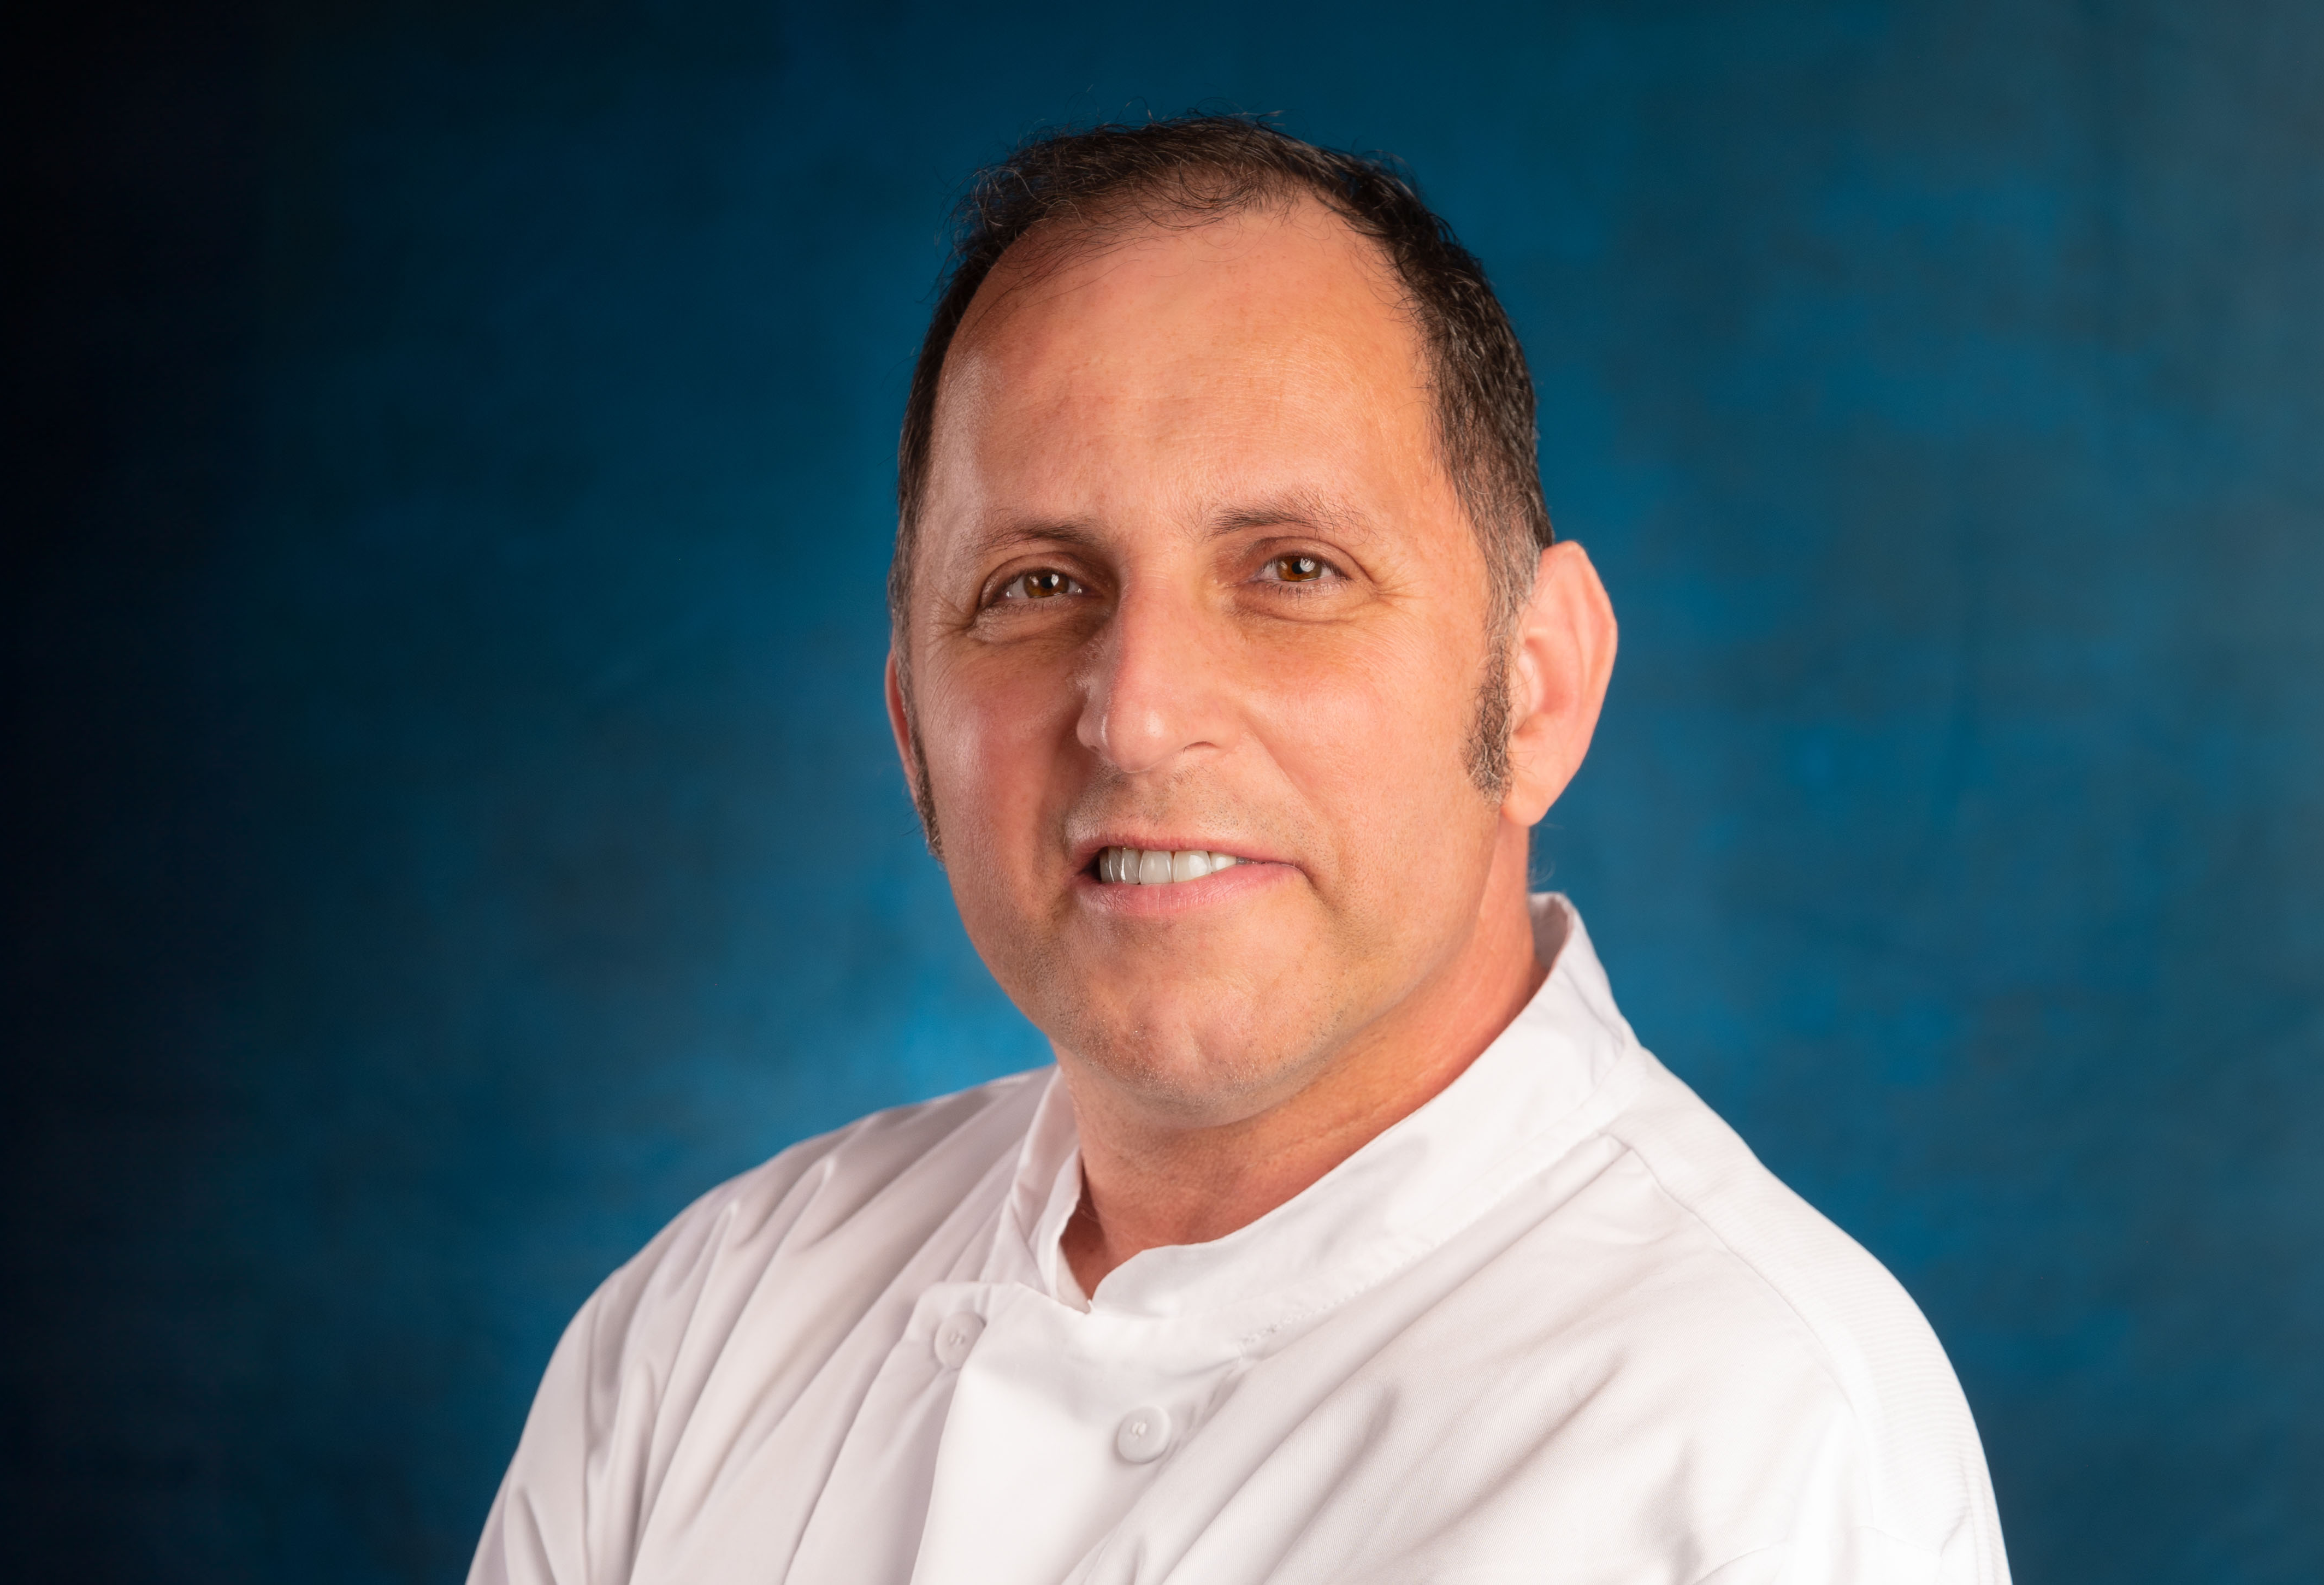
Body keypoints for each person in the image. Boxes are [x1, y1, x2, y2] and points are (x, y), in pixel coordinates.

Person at [469, 115, 2009, 1585]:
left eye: (1293, 570)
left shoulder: (1755, 1460)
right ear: (912, 728)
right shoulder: (701, 1333)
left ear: (1535, 687)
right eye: (1034, 586)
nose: (1136, 717)